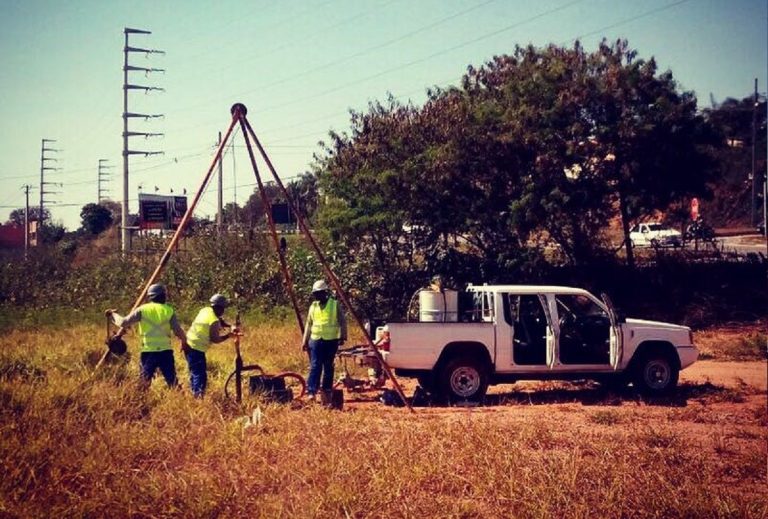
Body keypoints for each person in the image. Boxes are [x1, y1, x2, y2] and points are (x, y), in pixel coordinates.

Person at [106, 283, 187, 388]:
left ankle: (140, 402)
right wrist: (184, 342)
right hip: (165, 352)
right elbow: (178, 330)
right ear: (164, 296)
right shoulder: (169, 310)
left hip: (149, 351)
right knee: (172, 381)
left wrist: (112, 314)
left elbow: (123, 322)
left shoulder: (142, 309)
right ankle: (180, 401)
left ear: (150, 297)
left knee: (144, 382)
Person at [184, 293, 239, 397]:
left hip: (187, 344)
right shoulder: (213, 320)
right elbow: (215, 339)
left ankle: (194, 393)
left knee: (194, 372)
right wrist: (229, 335)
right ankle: (198, 398)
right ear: (219, 308)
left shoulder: (205, 310)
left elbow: (220, 321)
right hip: (196, 349)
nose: (223, 311)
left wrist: (230, 325)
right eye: (223, 308)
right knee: (200, 375)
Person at [301, 280, 347, 400]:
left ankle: (327, 389)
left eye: (319, 293)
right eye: (315, 294)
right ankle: (312, 391)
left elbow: (342, 321)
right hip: (315, 340)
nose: (317, 296)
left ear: (325, 292)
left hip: (331, 341)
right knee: (315, 365)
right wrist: (304, 341)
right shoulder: (313, 306)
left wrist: (343, 336)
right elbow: (309, 324)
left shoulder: (334, 304)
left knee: (328, 366)